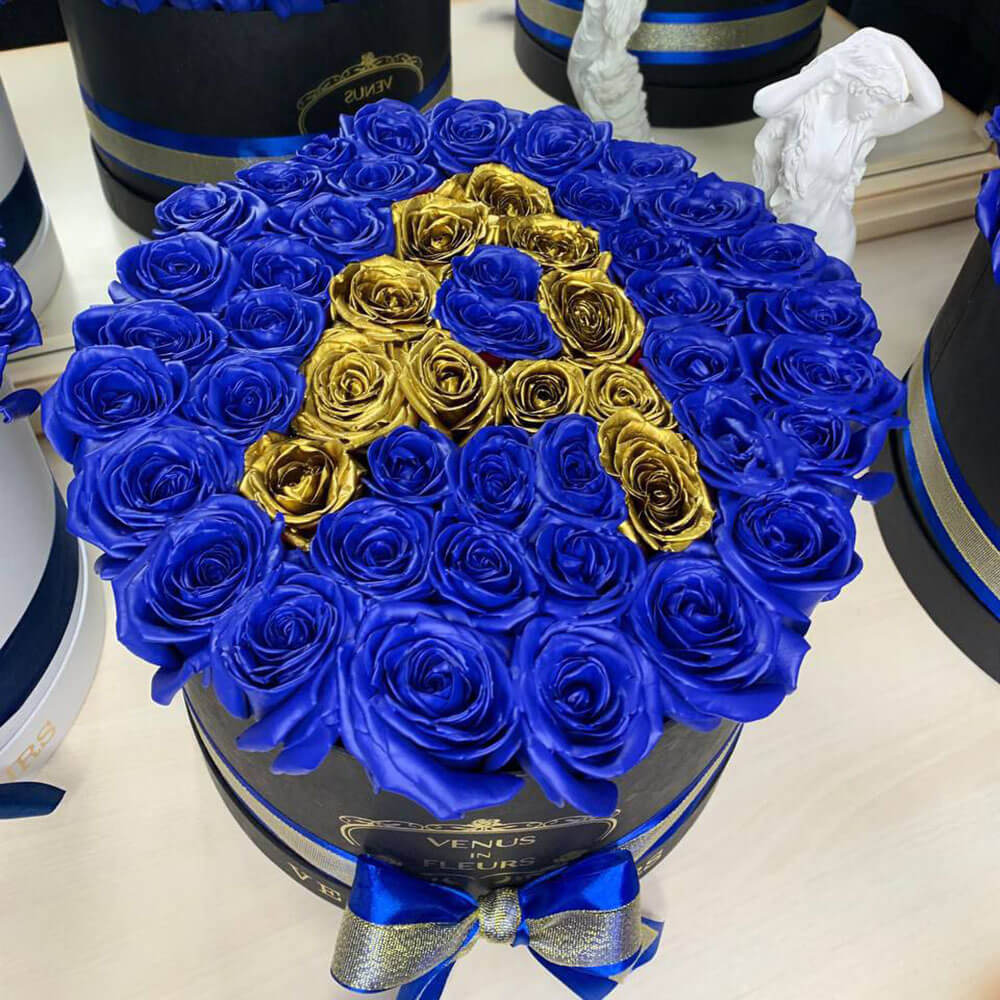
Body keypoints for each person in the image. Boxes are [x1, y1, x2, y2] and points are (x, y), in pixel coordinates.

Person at [753, 28, 943, 262]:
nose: (876, 110)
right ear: (855, 87)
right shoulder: (804, 110)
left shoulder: (864, 126)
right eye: (875, 100)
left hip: (833, 237)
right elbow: (763, 104)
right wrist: (824, 69)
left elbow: (931, 104)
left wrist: (894, 42)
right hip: (786, 234)